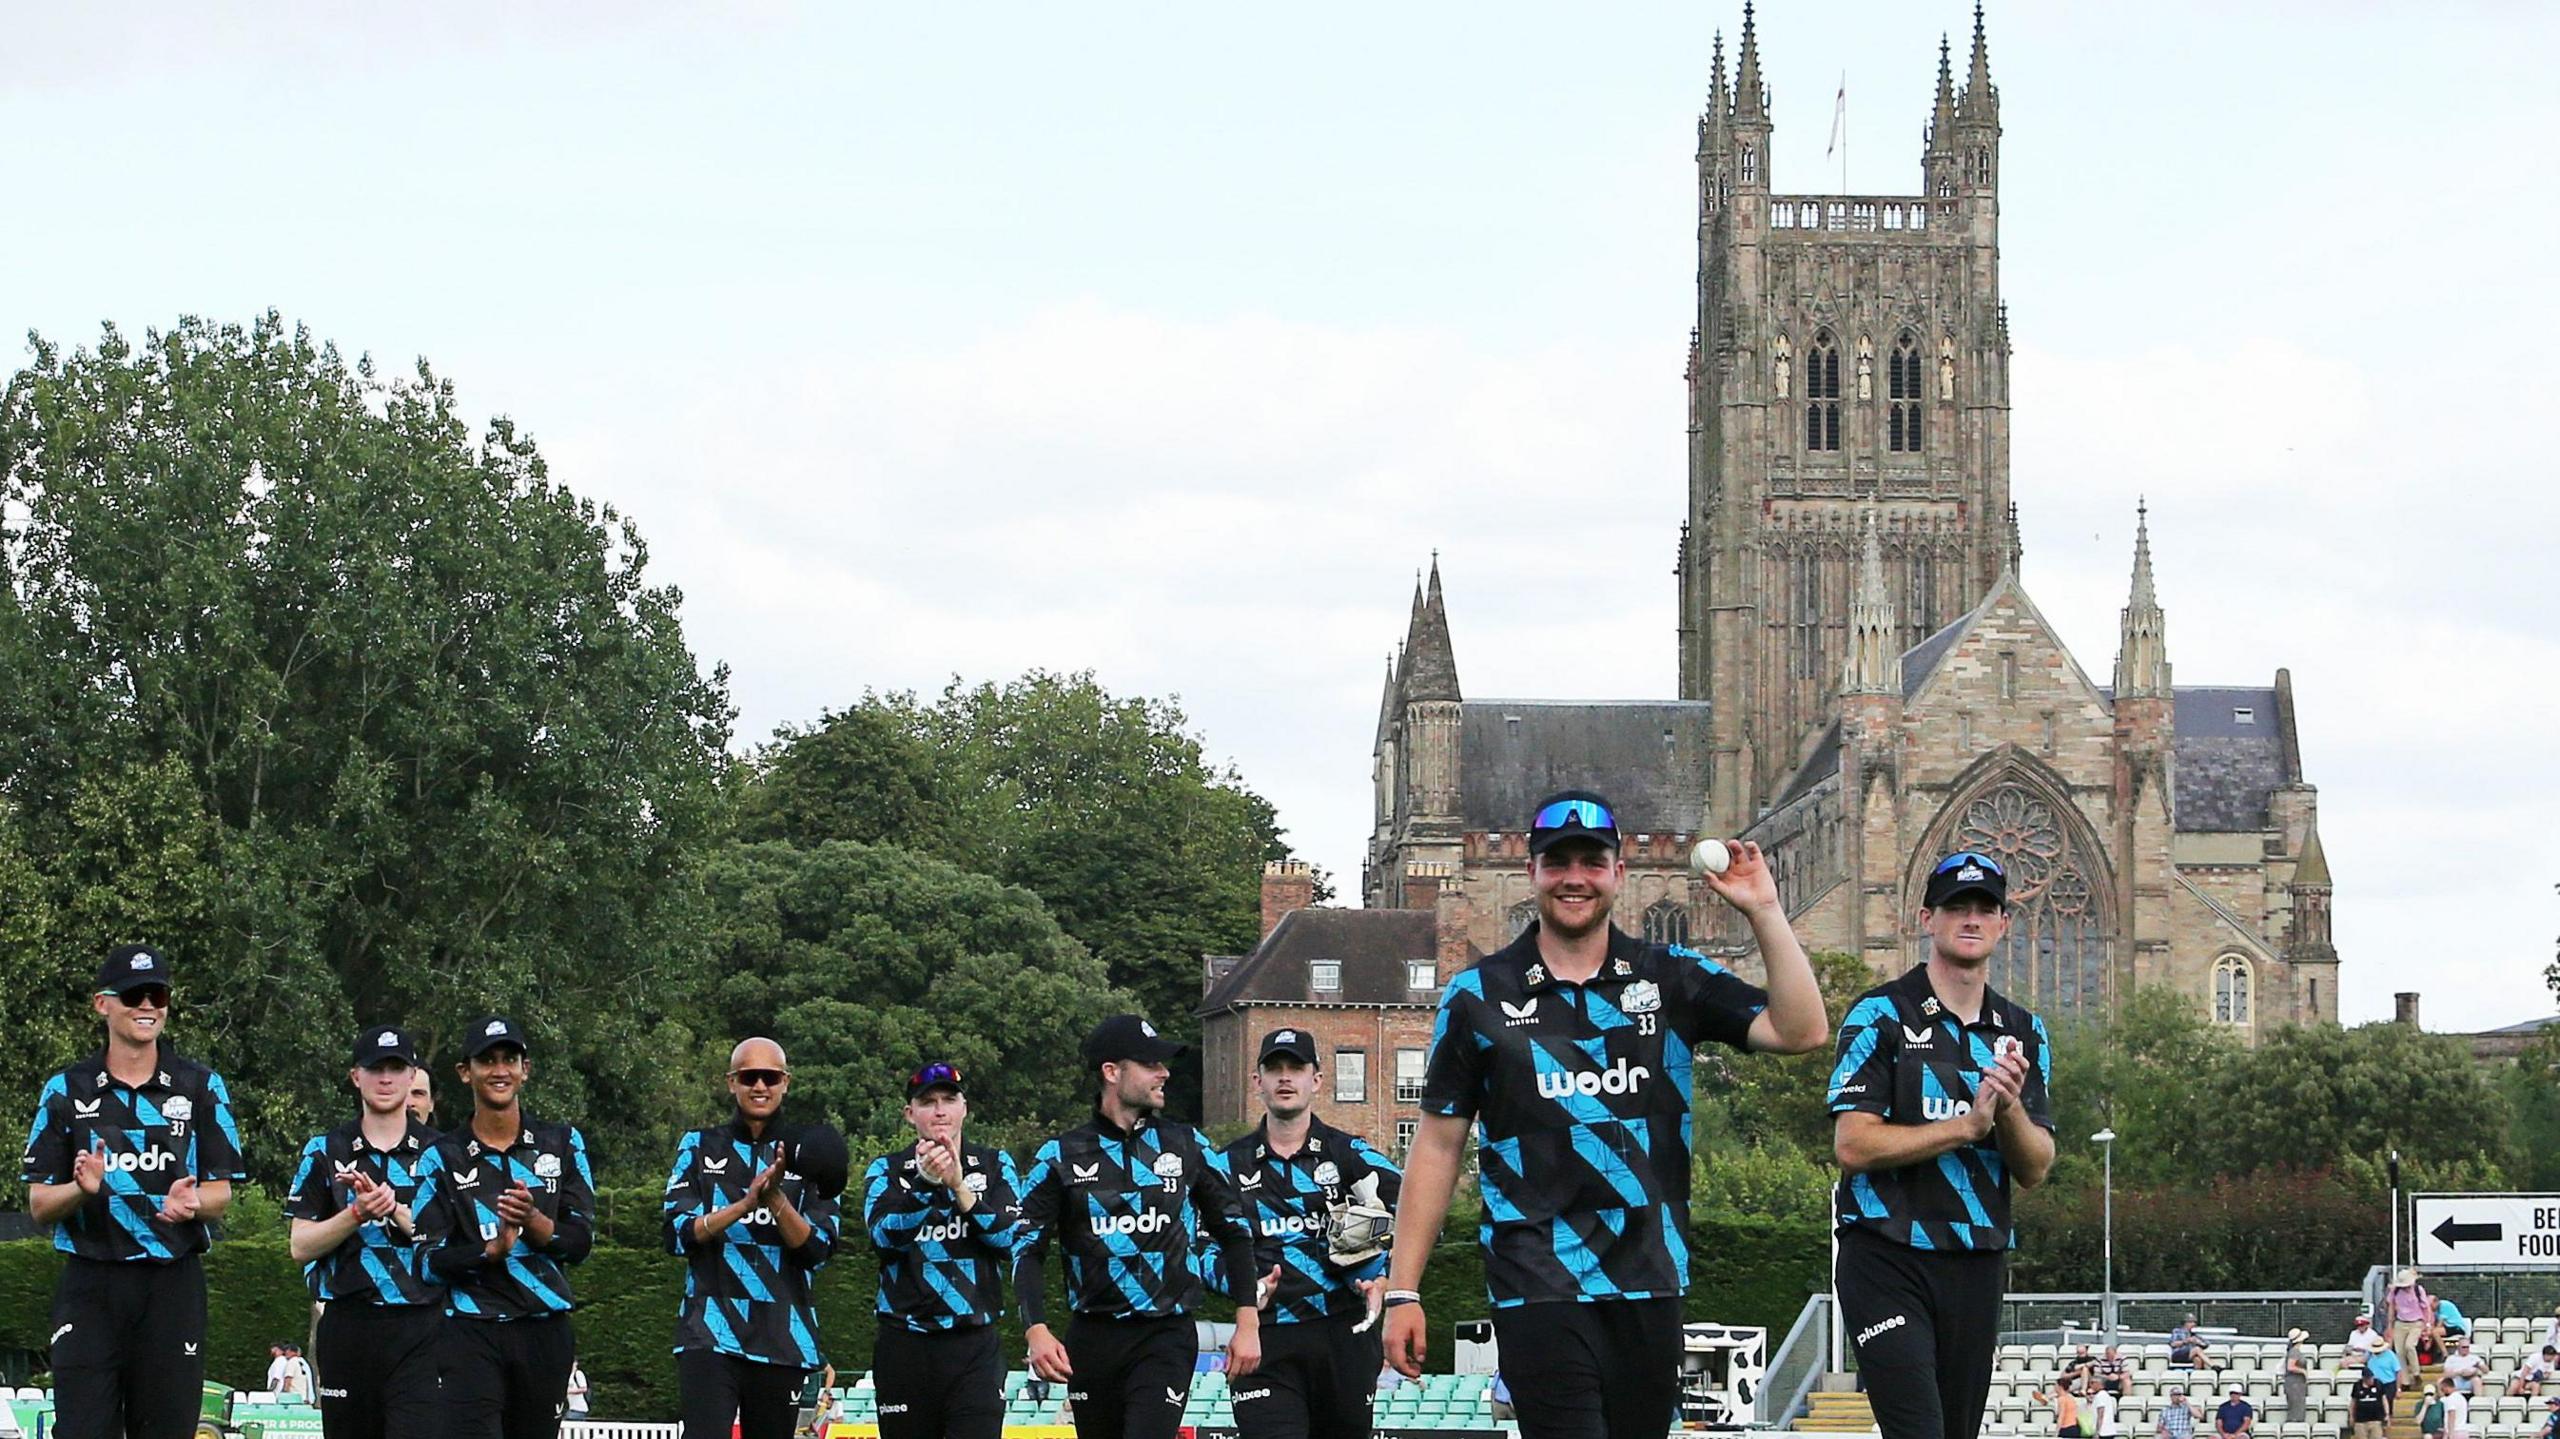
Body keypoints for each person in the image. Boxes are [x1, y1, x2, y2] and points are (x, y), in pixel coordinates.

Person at [1383, 793, 1829, 1439]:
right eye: (1556, 860)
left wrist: (1764, 909)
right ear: (1531, 872)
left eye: (1591, 860)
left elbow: (1803, 1029)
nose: (1574, 876)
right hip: (1535, 1276)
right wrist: (1404, 1289)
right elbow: (1438, 1145)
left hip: (1649, 1274)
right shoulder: (1477, 995)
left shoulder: (1670, 978)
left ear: (1619, 873)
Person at [1827, 851, 2055, 1439]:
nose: (1971, 919)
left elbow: (2035, 1167)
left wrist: (2006, 1111)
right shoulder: (1880, 1015)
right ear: (1927, 918)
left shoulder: (2023, 1031)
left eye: (1985, 908)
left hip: (1976, 1261)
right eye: (1957, 907)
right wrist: (1966, 1127)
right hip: (1885, 1253)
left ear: (2004, 924)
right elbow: (1852, 1145)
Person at [23, 944, 246, 1439]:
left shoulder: (201, 1086)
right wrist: (81, 1190)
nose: (148, 1005)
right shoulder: (64, 1090)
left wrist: (193, 1206)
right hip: (91, 1283)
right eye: (133, 994)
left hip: (171, 1284)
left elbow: (221, 1192)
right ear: (103, 1003)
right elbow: (40, 1205)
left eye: (158, 995)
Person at [1014, 1014, 1267, 1439]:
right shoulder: (1059, 1155)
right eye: (1150, 1064)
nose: (1164, 1073)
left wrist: (1248, 1322)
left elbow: (1235, 1232)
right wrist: (1035, 1329)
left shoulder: (1189, 1144)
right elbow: (1026, 1249)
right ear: (1111, 1072)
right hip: (1093, 1338)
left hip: (1166, 1333)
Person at [413, 1016, 595, 1439]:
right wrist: (488, 1253)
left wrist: (535, 1223)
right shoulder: (441, 1156)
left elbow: (581, 1242)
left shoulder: (563, 1143)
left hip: (544, 1327)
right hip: (470, 1330)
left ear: (525, 1068)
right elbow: (426, 1262)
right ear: (465, 1072)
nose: (499, 1070)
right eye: (487, 1060)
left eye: (509, 1059)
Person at [1216, 1028, 1403, 1439]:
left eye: (1296, 1068)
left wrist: (1384, 1277)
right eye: (1274, 1068)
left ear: (1316, 1080)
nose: (1285, 1078)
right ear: (1257, 1081)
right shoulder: (1225, 1165)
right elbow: (1193, 1244)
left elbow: (1417, 1217)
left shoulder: (1351, 1154)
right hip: (1266, 1338)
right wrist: (1241, 1285)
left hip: (1344, 1336)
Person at [666, 1038, 844, 1439]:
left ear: (786, 1083)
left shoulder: (815, 1151)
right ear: (732, 1082)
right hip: (709, 1333)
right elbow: (676, 1234)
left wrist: (776, 1200)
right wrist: (744, 1205)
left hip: (784, 1335)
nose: (759, 1086)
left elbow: (819, 1250)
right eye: (749, 1077)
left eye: (770, 1077)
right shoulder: (698, 1146)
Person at [286, 1026, 441, 1439]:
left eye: (395, 1068)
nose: (385, 1079)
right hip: (350, 1323)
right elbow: (300, 1246)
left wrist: (395, 1211)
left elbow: (455, 1245)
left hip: (424, 1326)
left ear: (412, 1078)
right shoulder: (324, 1150)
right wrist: (355, 1214)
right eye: (375, 1069)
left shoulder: (444, 1153)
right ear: (356, 1076)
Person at [860, 1058, 1019, 1439]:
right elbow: (884, 1239)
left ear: (964, 1108)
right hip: (906, 1344)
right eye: (928, 1102)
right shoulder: (886, 1170)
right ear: (910, 1113)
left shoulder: (996, 1165)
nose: (940, 1110)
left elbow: (1010, 1239)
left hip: (974, 1344)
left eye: (949, 1099)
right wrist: (926, 1183)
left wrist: (960, 1189)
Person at [2386, 1270, 2434, 1379]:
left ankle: (2416, 1372)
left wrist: (2427, 1324)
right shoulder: (2396, 1291)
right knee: (2400, 1352)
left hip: (2416, 1322)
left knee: (2409, 1346)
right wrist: (2390, 1324)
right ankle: (2405, 1380)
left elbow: (2426, 1308)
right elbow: (2391, 1306)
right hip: (2400, 1322)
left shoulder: (2418, 1290)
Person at [2349, 1368, 2390, 1439]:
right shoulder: (2357, 1386)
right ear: (2364, 1378)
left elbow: (2384, 1400)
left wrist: (2387, 1414)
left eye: (2372, 1377)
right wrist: (2351, 1416)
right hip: (2360, 1421)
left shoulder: (2378, 1384)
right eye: (2369, 1378)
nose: (2371, 1380)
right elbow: (2353, 1402)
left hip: (2376, 1420)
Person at [2282, 1328, 2311, 1424]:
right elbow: (2290, 1366)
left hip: (2297, 1384)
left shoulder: (2294, 1351)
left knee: (2298, 1408)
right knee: (2296, 1409)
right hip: (2294, 1384)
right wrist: (2303, 1371)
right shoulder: (2294, 1351)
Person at [2367, 1341, 2404, 1413]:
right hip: (2375, 1384)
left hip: (2389, 1384)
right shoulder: (2370, 1356)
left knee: (2388, 1405)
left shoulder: (2391, 1355)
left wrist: (2398, 1389)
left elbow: (2398, 1372)